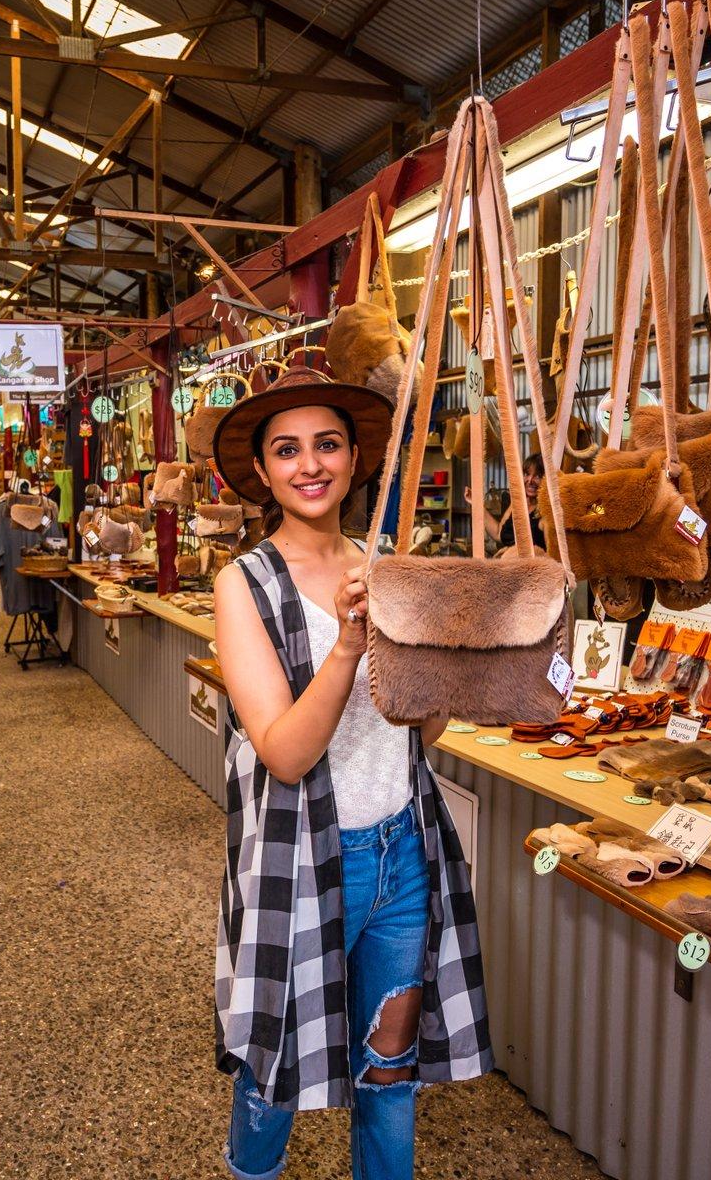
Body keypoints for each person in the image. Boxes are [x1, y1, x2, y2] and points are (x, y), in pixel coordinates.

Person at [211, 368, 492, 1180]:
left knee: (390, 1068)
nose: (310, 464)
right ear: (263, 471)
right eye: (287, 449)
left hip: (403, 853)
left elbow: (421, 728)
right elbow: (288, 753)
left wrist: (445, 648)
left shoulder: (389, 567)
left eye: (326, 444)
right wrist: (349, 639)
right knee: (273, 1068)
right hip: (296, 857)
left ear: (353, 457)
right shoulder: (243, 585)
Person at [465, 450, 548, 551]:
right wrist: (476, 503)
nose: (530, 480)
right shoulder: (516, 504)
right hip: (508, 563)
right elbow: (498, 533)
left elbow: (552, 556)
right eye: (526, 474)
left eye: (538, 476)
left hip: (533, 566)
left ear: (547, 479)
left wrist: (512, 554)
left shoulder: (548, 513)